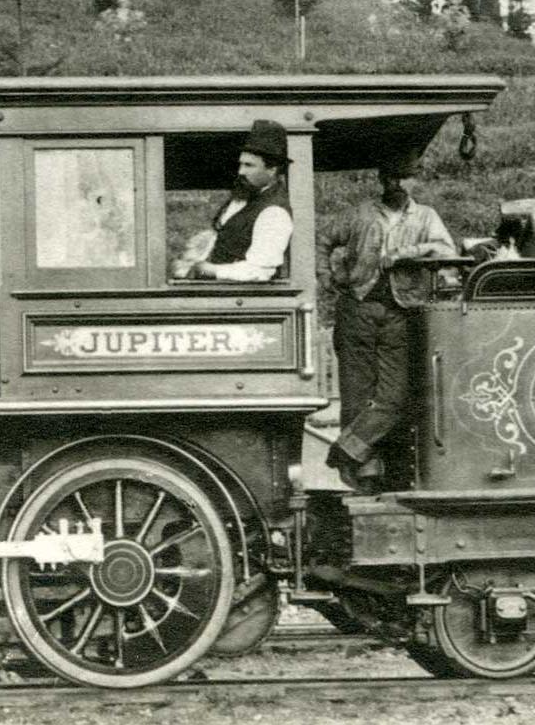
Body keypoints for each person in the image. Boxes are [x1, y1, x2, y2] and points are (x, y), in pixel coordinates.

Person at [322, 163, 458, 490]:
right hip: (357, 309)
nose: (399, 184)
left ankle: (345, 451)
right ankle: (364, 476)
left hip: (400, 311)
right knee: (356, 394)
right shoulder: (361, 214)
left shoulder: (426, 217)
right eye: (392, 178)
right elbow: (323, 239)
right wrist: (327, 276)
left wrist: (405, 253)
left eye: (405, 178)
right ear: (383, 180)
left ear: (414, 180)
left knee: (395, 397)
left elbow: (446, 250)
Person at [172, 120, 293, 283]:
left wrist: (210, 270)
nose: (241, 171)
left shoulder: (274, 212)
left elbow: (260, 270)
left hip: (245, 301)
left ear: (272, 170)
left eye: (249, 165)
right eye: (241, 164)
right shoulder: (245, 196)